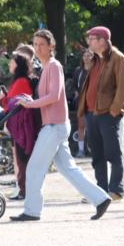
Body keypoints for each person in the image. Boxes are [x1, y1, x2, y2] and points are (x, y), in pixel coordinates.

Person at [13, 30, 111, 221]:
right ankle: (100, 199)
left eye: (41, 44)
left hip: (54, 126)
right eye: (35, 44)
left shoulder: (54, 66)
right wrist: (30, 100)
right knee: (68, 169)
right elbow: (47, 96)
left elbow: (55, 95)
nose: (38, 48)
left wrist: (31, 103)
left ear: (51, 46)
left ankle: (32, 211)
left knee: (34, 167)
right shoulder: (47, 67)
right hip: (55, 126)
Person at [76, 26, 124, 200]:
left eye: (91, 39)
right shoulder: (96, 59)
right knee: (97, 155)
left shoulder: (117, 57)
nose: (88, 43)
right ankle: (100, 192)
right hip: (92, 113)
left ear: (102, 40)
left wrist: (115, 110)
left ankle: (115, 190)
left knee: (113, 153)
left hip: (108, 113)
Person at [0, 52, 38, 201]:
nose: (9, 64)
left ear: (19, 65)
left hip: (22, 126)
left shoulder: (21, 81)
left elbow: (14, 104)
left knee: (22, 159)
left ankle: (24, 190)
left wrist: (3, 100)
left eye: (12, 62)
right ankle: (24, 189)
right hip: (20, 125)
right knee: (22, 159)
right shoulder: (19, 81)